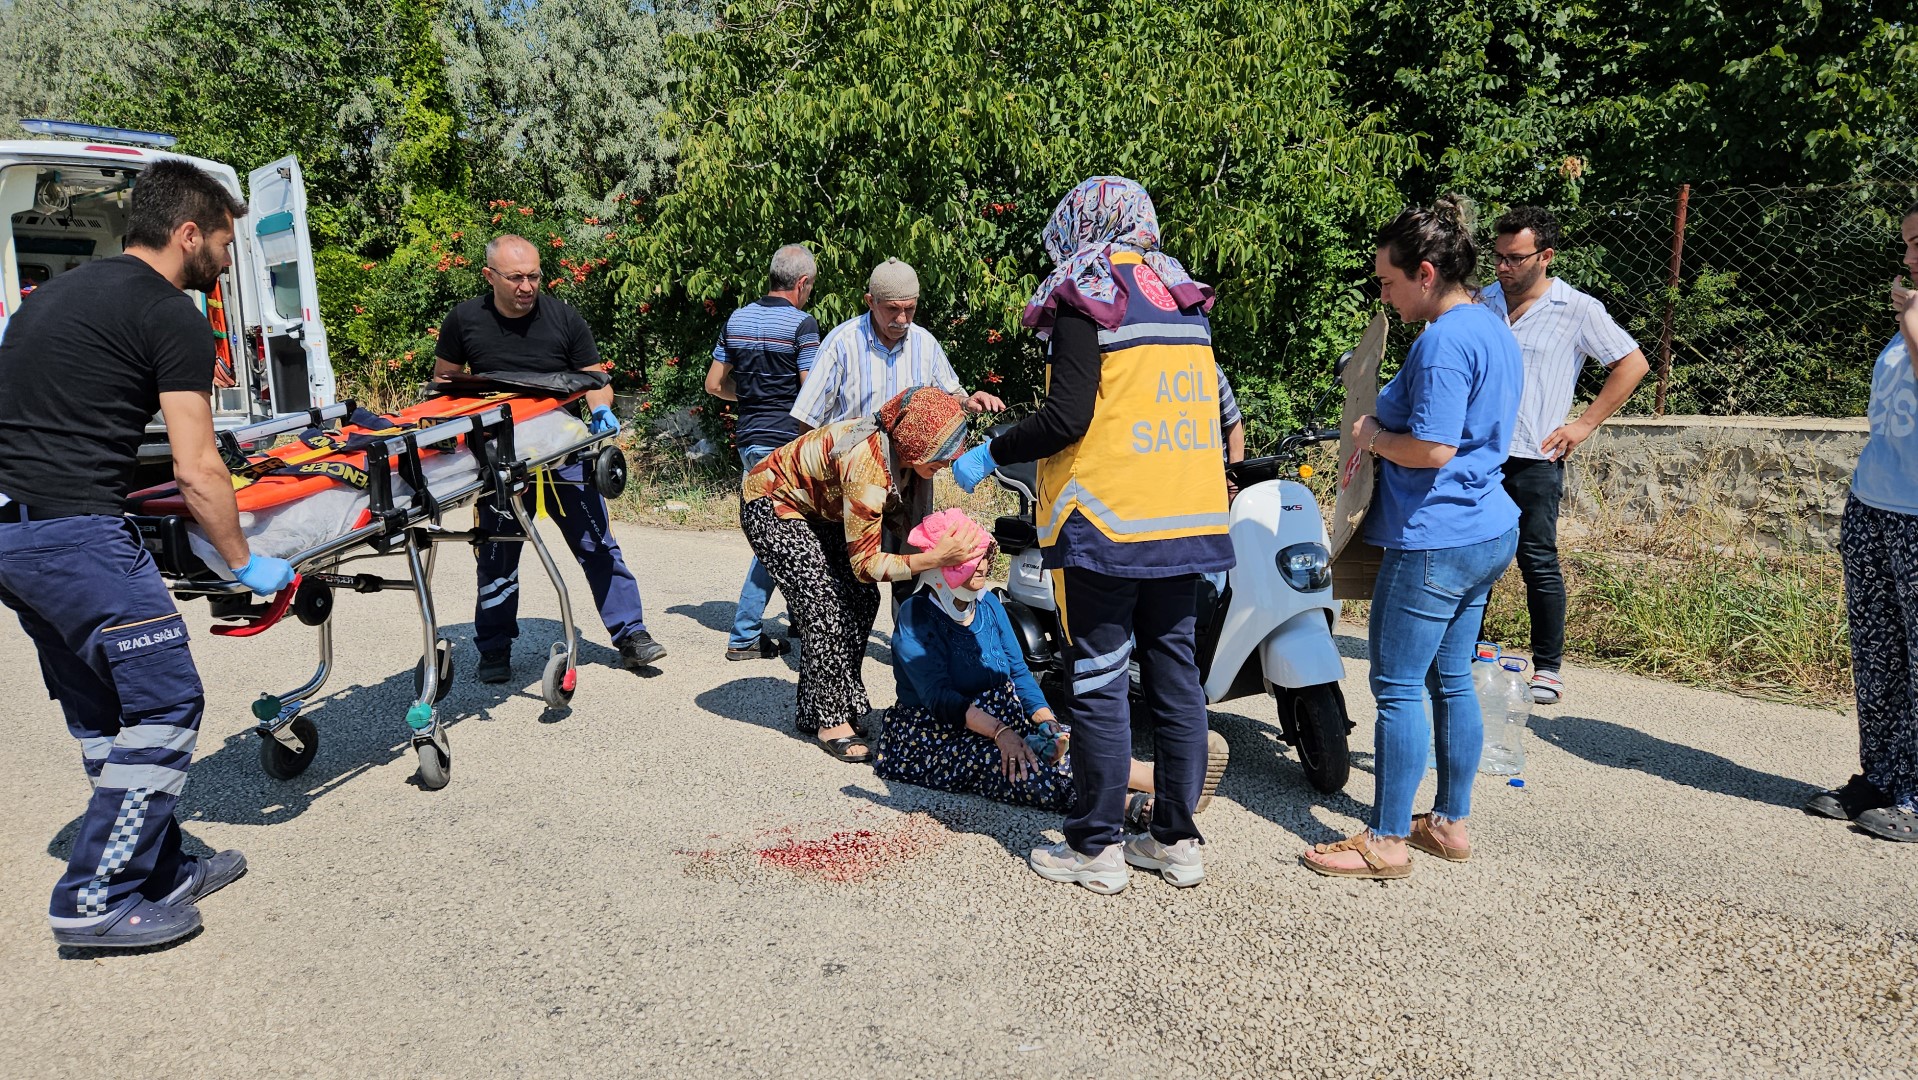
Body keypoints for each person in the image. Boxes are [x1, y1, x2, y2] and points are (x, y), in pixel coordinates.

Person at [0, 159, 293, 948]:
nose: (228, 262)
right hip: (76, 537)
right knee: (166, 702)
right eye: (224, 244)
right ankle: (94, 899)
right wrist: (242, 562)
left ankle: (157, 867)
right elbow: (197, 467)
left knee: (102, 712)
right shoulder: (170, 313)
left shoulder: (47, 298)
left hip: (14, 538)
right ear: (187, 232)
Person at [951, 176, 1235, 893]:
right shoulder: (1182, 298)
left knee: (1102, 682)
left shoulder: (1088, 296)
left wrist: (993, 451)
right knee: (1177, 684)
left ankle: (1095, 848)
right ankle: (1175, 840)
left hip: (1106, 521)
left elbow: (1068, 419)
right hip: (1187, 520)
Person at [1301, 198, 1520, 881]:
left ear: (1425, 273)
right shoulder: (1492, 324)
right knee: (1450, 678)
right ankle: (1449, 824)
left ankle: (1388, 840)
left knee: (1396, 686)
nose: (1384, 297)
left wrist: (1371, 436)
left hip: (1437, 539)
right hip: (1488, 527)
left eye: (1389, 283)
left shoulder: (1444, 341)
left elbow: (1431, 448)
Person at [875, 510, 1226, 848]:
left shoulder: (988, 603)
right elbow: (940, 698)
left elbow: (1018, 672)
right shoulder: (917, 614)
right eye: (968, 558)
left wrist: (1047, 722)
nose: (982, 564)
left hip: (999, 716)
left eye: (984, 554)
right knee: (1015, 767)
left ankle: (1172, 786)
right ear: (938, 564)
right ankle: (1132, 805)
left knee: (1073, 741)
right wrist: (1002, 733)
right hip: (938, 731)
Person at [434, 234, 666, 682]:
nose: (527, 286)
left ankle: (631, 635)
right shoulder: (464, 321)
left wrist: (601, 409)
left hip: (565, 454)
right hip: (499, 461)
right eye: (516, 277)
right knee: (497, 554)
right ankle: (495, 649)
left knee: (598, 545)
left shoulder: (564, 318)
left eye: (534, 276)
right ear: (489, 277)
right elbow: (444, 379)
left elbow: (595, 379)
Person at [740, 387, 985, 762]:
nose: (950, 462)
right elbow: (867, 565)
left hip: (819, 510)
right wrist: (934, 558)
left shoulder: (898, 456)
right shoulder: (868, 468)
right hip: (771, 503)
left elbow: (894, 538)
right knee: (823, 604)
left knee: (859, 598)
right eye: (942, 454)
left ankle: (818, 706)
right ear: (916, 443)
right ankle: (831, 719)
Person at [1480, 207, 1650, 705]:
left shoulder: (1577, 308)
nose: (1503, 267)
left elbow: (1632, 362)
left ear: (1546, 256)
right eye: (1498, 257)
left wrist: (1584, 423)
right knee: (1478, 554)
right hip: (1478, 454)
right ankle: (1468, 648)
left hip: (1535, 456)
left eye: (1515, 258)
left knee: (1537, 559)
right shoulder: (1481, 301)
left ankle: (1548, 665)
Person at [790, 258, 1006, 606]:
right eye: (892, 309)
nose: (902, 320)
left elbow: (949, 394)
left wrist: (969, 401)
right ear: (870, 301)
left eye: (910, 309)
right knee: (855, 574)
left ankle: (907, 652)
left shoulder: (924, 343)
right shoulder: (842, 343)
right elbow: (808, 420)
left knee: (912, 571)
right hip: (857, 478)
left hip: (911, 480)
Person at [1803, 201, 1918, 843]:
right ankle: (1881, 777)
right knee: (1879, 655)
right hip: (1876, 507)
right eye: (1906, 243)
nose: (1906, 256)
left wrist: (1910, 321)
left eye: (1917, 243)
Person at [706, 243, 821, 662]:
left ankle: (800, 618)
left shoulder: (737, 320)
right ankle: (744, 634)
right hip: (786, 443)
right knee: (779, 539)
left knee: (785, 532)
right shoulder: (801, 325)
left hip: (750, 438)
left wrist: (753, 398)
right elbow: (813, 391)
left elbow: (715, 384)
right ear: (802, 283)